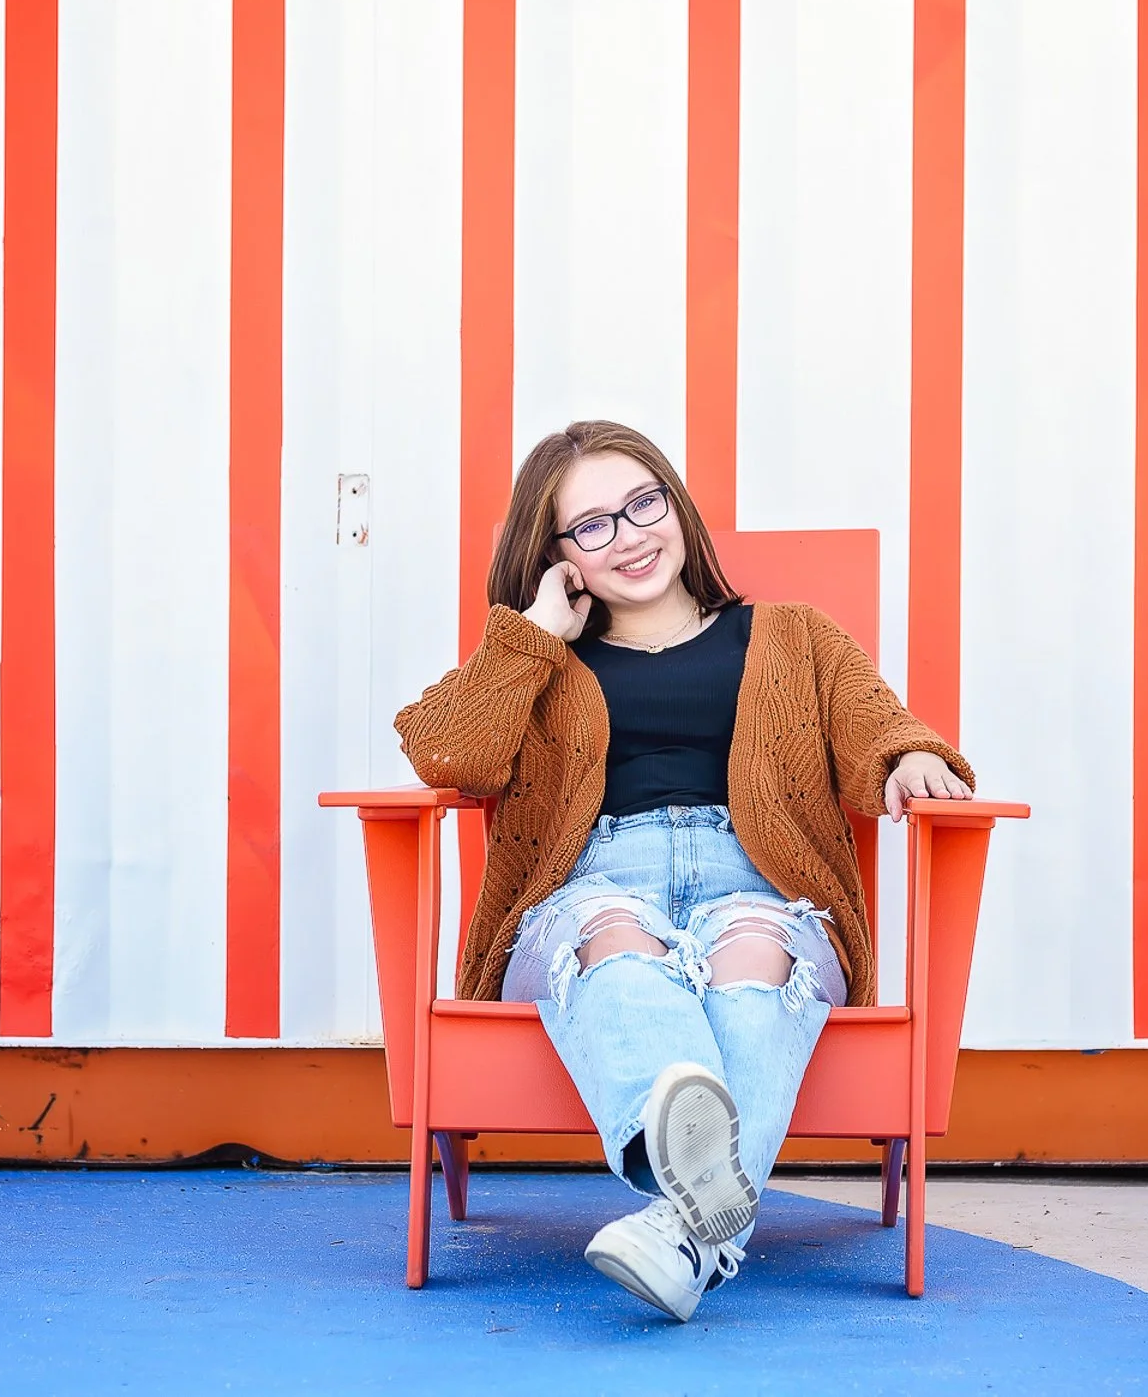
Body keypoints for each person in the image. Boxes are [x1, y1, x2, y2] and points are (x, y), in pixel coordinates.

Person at [394, 419, 974, 1321]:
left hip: (763, 887)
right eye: (592, 526)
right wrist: (537, 632)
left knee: (753, 954)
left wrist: (906, 759)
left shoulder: (793, 638)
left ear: (676, 504)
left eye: (642, 503)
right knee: (614, 939)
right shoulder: (541, 664)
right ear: (556, 557)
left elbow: (877, 727)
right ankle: (700, 1225)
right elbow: (445, 753)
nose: (629, 537)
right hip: (591, 884)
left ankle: (681, 1232)